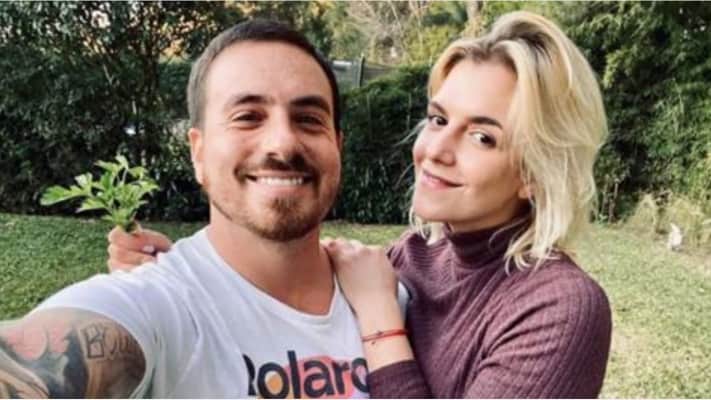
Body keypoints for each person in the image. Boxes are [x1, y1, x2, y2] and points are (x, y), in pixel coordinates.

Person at [110, 11, 613, 398]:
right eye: (439, 120)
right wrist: (183, 272)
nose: (436, 150)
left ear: (534, 172)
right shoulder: (413, 256)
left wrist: (380, 319)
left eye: (482, 137)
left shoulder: (558, 307)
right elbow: (290, 279)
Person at [1, 20, 405, 398]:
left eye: (309, 119)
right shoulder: (158, 304)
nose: (283, 143)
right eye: (247, 117)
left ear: (338, 145)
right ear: (198, 151)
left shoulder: (393, 298)